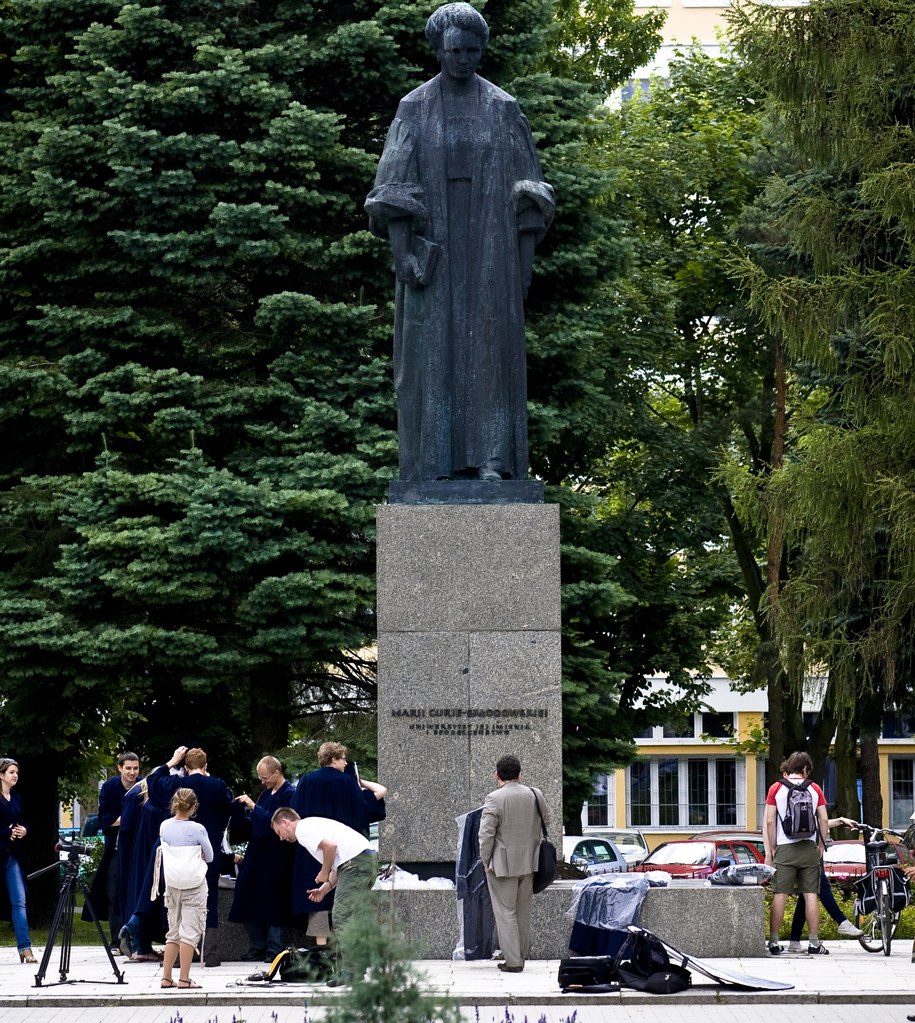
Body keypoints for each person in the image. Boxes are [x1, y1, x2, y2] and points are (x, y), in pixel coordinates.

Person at [365, 2, 554, 482]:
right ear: (438, 49)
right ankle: (432, 462)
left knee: (490, 346)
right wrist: (403, 250)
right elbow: (393, 184)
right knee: (431, 348)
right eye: (455, 50)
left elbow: (530, 190)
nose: (464, 59)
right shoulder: (414, 106)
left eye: (473, 50)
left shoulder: (502, 107)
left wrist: (523, 263)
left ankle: (493, 460)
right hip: (436, 246)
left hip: (490, 244)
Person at [291, 742, 386, 949]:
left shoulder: (307, 781)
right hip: (344, 850)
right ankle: (346, 947)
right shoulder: (346, 782)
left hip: (314, 846)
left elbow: (295, 811)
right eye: (343, 759)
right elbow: (361, 810)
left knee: (317, 901)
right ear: (333, 759)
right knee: (346, 901)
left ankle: (321, 944)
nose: (346, 763)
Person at [146, 746, 232, 965]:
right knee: (209, 898)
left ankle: (176, 957)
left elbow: (153, 782)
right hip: (208, 848)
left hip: (178, 855)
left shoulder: (178, 784)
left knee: (178, 902)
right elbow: (229, 809)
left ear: (185, 767)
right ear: (205, 766)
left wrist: (170, 762)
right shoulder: (217, 785)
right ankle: (209, 952)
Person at [272, 806, 377, 985]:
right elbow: (340, 863)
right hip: (365, 861)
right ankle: (358, 968)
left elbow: (331, 847)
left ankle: (351, 971)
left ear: (285, 822)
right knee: (353, 917)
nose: (281, 838)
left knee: (341, 917)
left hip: (356, 863)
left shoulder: (303, 829)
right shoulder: (313, 825)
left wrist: (323, 872)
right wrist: (325, 888)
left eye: (279, 832)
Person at [478, 754, 547, 973]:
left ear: (496, 775)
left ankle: (514, 961)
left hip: (502, 865)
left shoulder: (494, 798)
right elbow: (547, 820)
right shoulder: (535, 794)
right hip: (529, 862)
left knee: (505, 912)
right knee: (523, 912)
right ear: (519, 774)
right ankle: (521, 955)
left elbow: (486, 834)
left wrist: (485, 859)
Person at [228, 755, 296, 962]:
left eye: (265, 777)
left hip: (277, 855)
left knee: (274, 900)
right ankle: (257, 944)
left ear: (277, 772)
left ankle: (274, 947)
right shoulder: (267, 794)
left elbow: (277, 823)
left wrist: (254, 807)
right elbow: (256, 823)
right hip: (257, 853)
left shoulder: (289, 794)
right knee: (246, 892)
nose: (262, 781)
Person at [764, 751, 830, 955]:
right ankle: (813, 942)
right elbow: (824, 820)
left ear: (789, 767)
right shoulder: (814, 788)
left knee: (780, 894)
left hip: (784, 847)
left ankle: (773, 942)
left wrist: (774, 847)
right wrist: (820, 845)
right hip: (809, 847)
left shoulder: (776, 788)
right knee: (810, 894)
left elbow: (769, 821)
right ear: (805, 769)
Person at [157, 787, 213, 990]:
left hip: (172, 884)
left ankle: (166, 977)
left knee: (173, 932)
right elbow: (211, 855)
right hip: (194, 884)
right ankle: (184, 979)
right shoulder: (197, 829)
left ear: (174, 804)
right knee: (189, 932)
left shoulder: (165, 826)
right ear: (194, 807)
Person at [84, 751, 141, 950]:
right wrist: (126, 820)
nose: (132, 772)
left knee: (137, 892)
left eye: (135, 768)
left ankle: (136, 940)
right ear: (120, 768)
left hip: (137, 849)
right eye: (128, 768)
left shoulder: (143, 786)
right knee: (113, 894)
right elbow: (105, 820)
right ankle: (116, 940)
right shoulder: (110, 787)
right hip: (116, 848)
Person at [787, 813, 863, 951]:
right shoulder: (806, 795)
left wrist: (840, 820)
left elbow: (818, 823)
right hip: (800, 854)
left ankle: (794, 940)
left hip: (793, 853)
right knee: (821, 884)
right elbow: (819, 822)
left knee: (806, 897)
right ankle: (841, 921)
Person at [0, 757, 36, 963]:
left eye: (17, 772)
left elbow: (23, 822)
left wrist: (24, 830)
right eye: (11, 772)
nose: (15, 776)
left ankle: (25, 948)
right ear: (1, 775)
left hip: (12, 855)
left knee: (19, 900)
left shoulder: (16, 798)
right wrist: (6, 832)